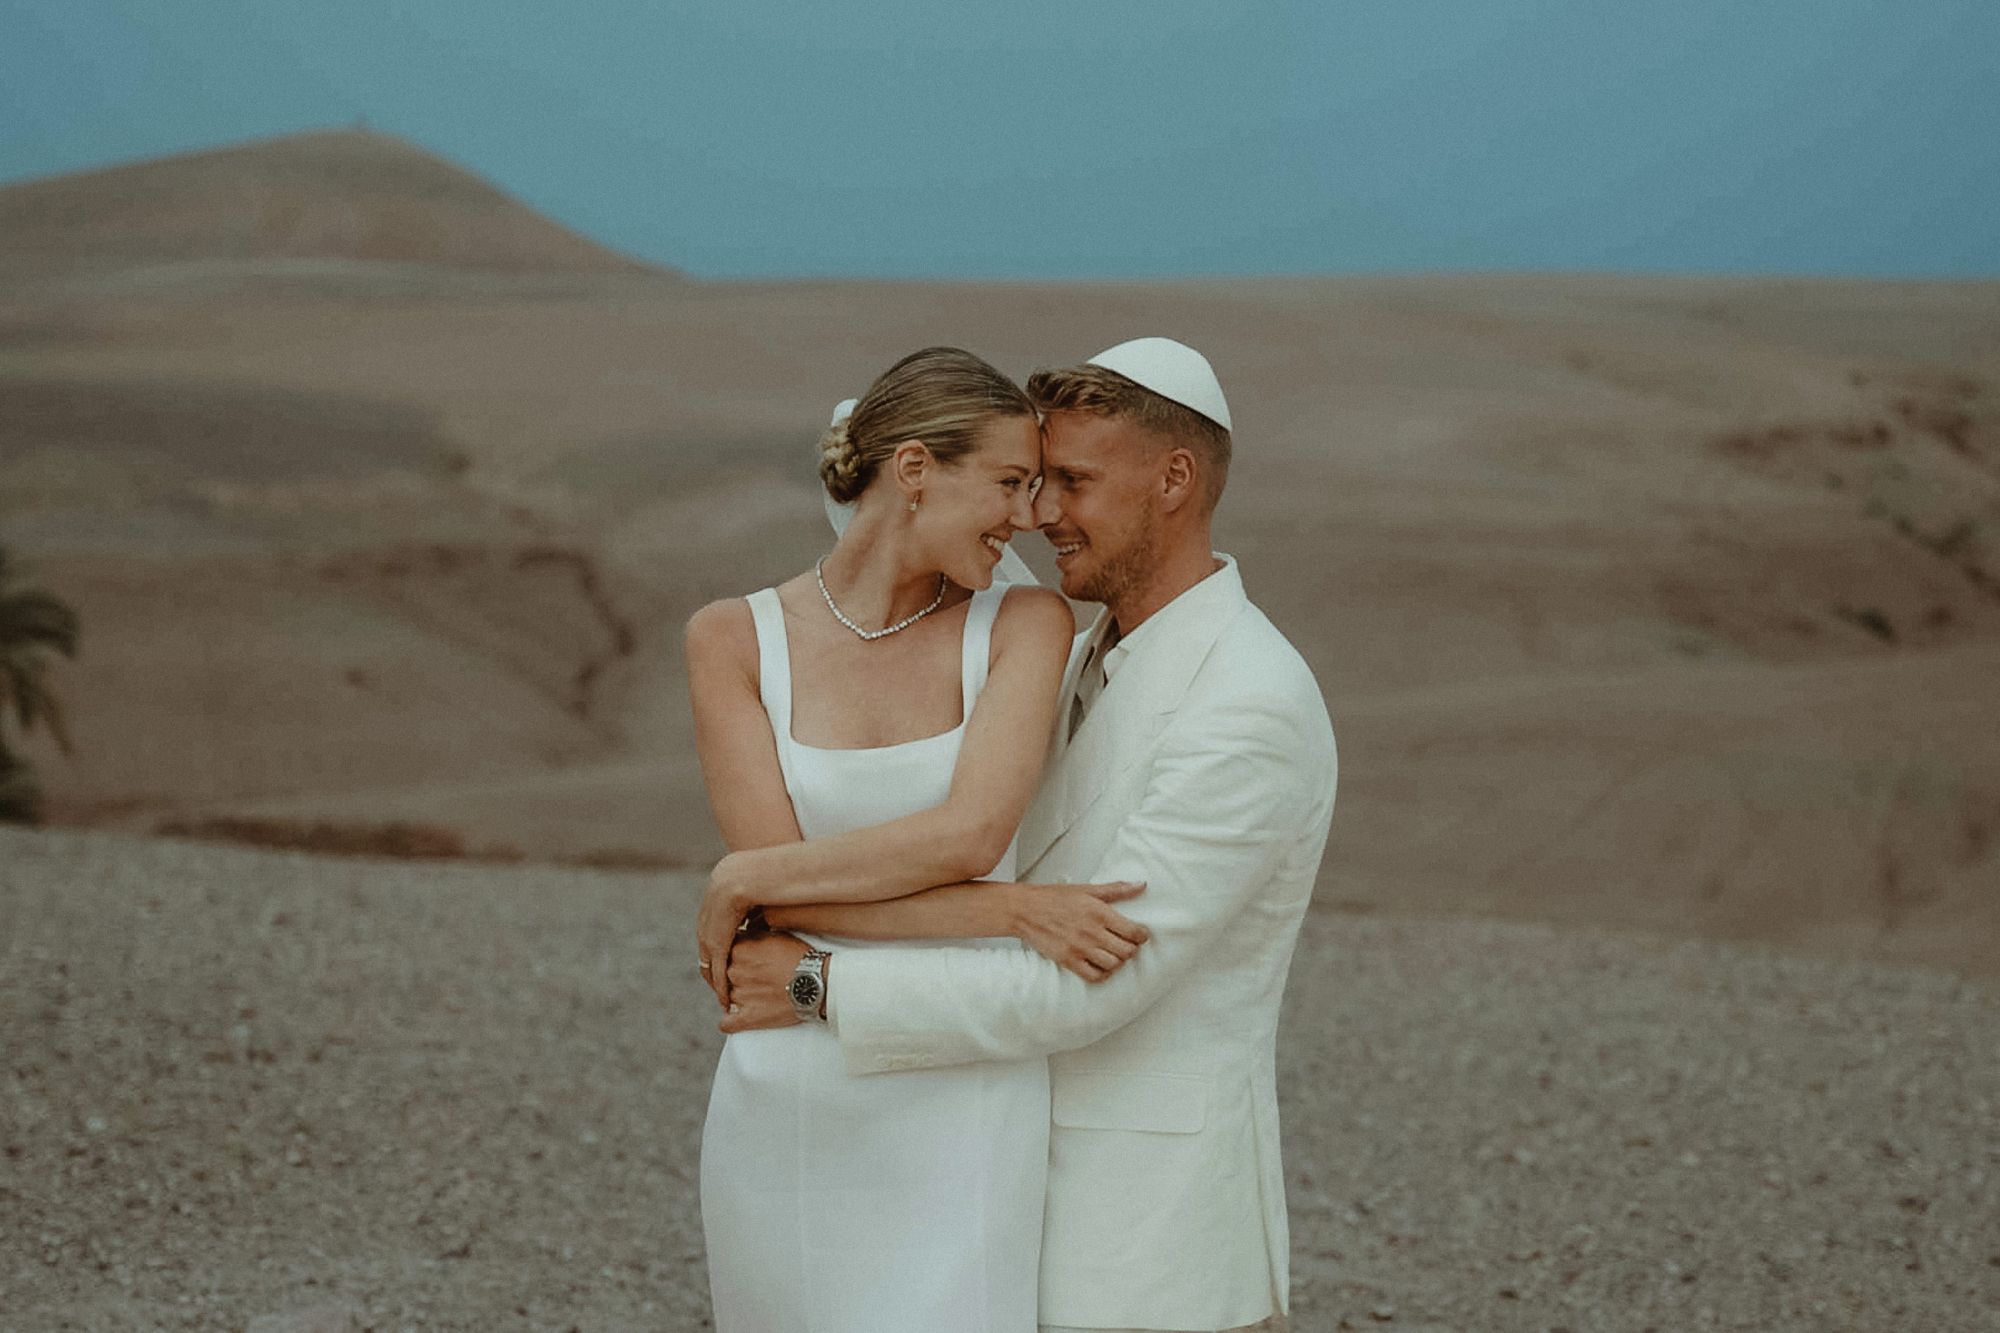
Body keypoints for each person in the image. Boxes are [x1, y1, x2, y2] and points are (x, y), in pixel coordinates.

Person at [723, 338, 1339, 1333]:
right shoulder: (1063, 652)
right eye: (1037, 481)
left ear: (1174, 479)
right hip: (989, 1213)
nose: (1043, 513)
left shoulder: (1247, 702)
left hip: (1153, 1257)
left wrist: (814, 987)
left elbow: (1091, 980)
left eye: (1074, 483)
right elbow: (888, 511)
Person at [687, 346, 1152, 1333]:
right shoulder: (729, 639)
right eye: (1008, 482)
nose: (1029, 517)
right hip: (788, 1080)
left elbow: (970, 830)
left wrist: (748, 875)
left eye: (1035, 488)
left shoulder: (1021, 622)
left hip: (960, 1084)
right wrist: (1012, 907)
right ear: (911, 471)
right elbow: (783, 900)